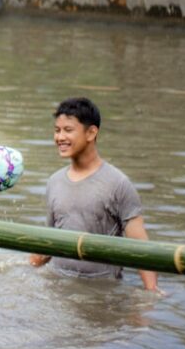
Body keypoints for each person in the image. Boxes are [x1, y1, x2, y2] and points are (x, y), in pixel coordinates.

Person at [29, 97, 159, 292]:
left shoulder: (118, 184)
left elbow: (140, 246)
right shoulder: (54, 181)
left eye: (68, 130)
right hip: (57, 287)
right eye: (57, 130)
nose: (60, 137)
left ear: (91, 132)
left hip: (100, 291)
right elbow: (50, 239)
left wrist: (152, 292)